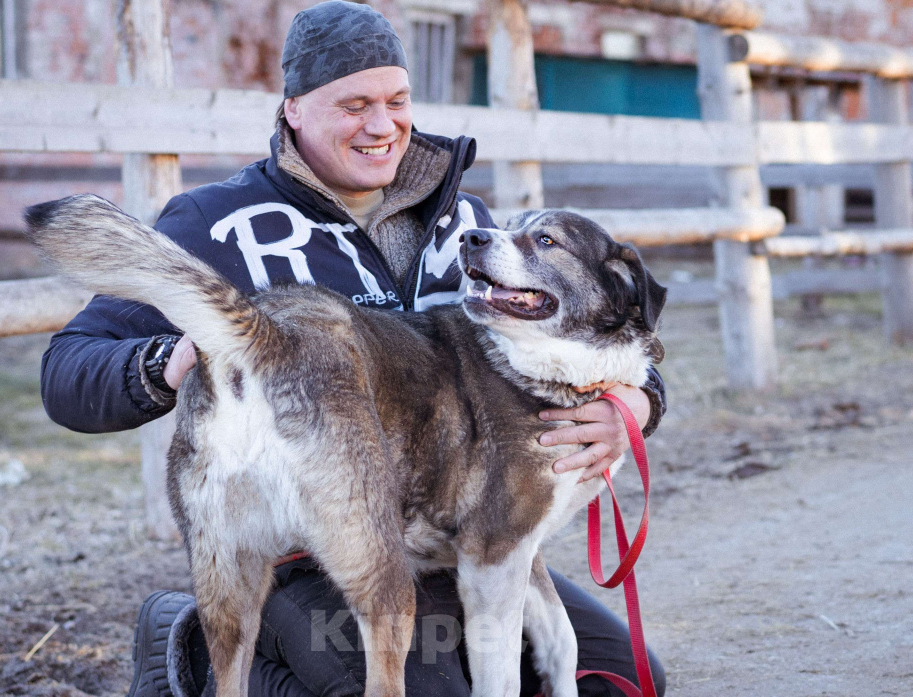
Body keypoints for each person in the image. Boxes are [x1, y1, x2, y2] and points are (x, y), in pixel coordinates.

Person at [40, 2, 668, 695]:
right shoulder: (216, 223)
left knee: (622, 679)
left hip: (437, 539)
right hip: (301, 554)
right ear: (294, 110)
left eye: (397, 100)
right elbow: (68, 372)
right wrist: (176, 357)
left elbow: (573, 335)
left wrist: (636, 402)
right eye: (354, 105)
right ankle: (187, 647)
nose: (382, 125)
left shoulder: (463, 221)